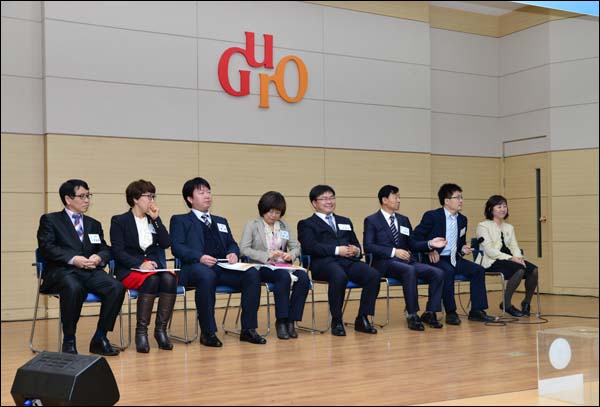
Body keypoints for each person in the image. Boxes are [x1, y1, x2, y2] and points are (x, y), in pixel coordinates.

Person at [170, 177, 266, 346]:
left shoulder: (221, 221)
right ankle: (208, 332)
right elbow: (177, 247)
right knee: (207, 276)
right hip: (195, 268)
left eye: (208, 192)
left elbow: (232, 244)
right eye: (201, 193)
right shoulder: (180, 220)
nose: (207, 196)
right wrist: (199, 257)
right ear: (190, 199)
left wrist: (233, 253)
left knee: (252, 273)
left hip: (222, 267)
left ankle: (248, 329)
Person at [36, 179, 125, 356]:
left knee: (117, 287)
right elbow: (46, 247)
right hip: (62, 271)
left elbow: (104, 248)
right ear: (68, 199)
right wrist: (73, 259)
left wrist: (99, 257)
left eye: (88, 195)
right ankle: (69, 339)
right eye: (82, 196)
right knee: (74, 287)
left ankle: (100, 337)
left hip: (89, 271)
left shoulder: (93, 224)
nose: (87, 200)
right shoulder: (51, 220)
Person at [297, 185, 380, 336]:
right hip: (323, 263)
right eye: (324, 199)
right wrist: (337, 250)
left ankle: (362, 317)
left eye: (331, 198)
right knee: (339, 276)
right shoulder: (306, 224)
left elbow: (355, 243)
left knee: (373, 275)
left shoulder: (345, 221)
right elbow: (310, 247)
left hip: (348, 261)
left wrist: (356, 250)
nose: (329, 201)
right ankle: (337, 319)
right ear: (314, 203)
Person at [364, 185, 447, 331]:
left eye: (399, 197)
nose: (399, 200)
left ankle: (430, 312)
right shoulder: (372, 220)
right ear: (384, 200)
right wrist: (393, 252)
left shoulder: (403, 220)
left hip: (406, 261)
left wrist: (429, 244)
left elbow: (412, 244)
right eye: (395, 197)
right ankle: (412, 314)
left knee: (438, 273)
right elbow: (368, 246)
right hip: (383, 263)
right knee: (409, 270)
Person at [413, 183, 495, 325]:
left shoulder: (462, 219)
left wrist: (463, 249)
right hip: (435, 258)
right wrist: (429, 249)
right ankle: (451, 312)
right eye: (457, 198)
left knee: (478, 270)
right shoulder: (432, 216)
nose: (461, 201)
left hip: (454, 258)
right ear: (446, 201)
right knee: (448, 271)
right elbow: (416, 238)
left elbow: (460, 242)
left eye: (461, 197)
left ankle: (477, 310)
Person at [110, 180, 175, 353]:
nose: (152, 200)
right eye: (148, 196)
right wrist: (139, 264)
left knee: (169, 279)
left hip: (152, 268)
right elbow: (117, 251)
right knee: (152, 280)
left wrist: (156, 219)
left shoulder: (152, 220)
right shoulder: (119, 221)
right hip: (130, 269)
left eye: (153, 196)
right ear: (135, 199)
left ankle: (160, 331)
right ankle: (141, 332)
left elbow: (166, 243)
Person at [240, 191, 310, 340]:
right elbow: (244, 249)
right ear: (263, 209)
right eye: (270, 211)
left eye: (277, 212)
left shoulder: (284, 226)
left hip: (282, 265)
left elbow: (296, 247)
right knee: (282, 277)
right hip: (262, 266)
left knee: (303, 277)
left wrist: (290, 255)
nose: (274, 216)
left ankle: (291, 320)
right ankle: (282, 320)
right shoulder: (253, 225)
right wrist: (266, 255)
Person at [476, 195, 539, 317]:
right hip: (491, 260)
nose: (503, 209)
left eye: (504, 206)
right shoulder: (483, 226)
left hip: (509, 258)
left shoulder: (509, 227)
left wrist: (518, 258)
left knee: (534, 270)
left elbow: (514, 246)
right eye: (499, 206)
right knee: (519, 270)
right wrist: (511, 258)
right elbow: (489, 250)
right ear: (490, 209)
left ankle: (526, 303)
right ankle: (506, 304)